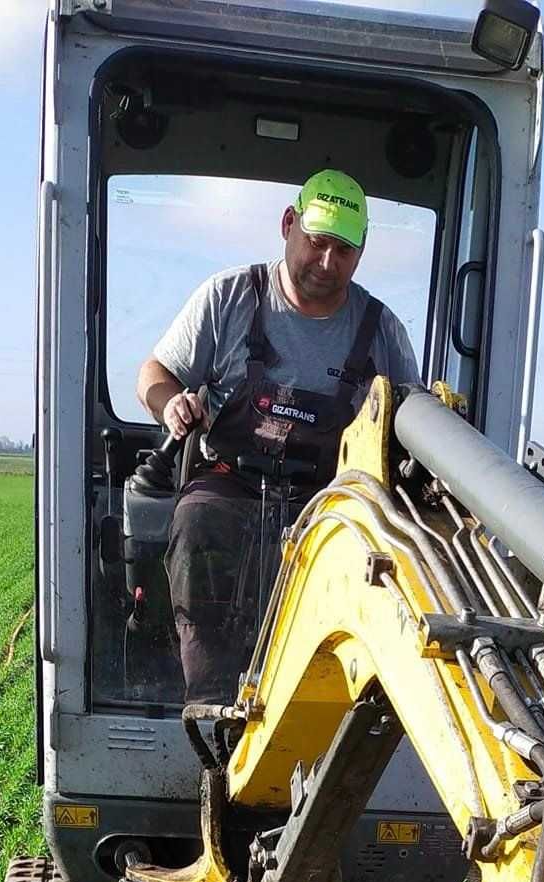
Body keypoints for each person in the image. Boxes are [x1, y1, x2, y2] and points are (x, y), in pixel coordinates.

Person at [137, 169, 421, 701]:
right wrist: (170, 401)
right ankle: (210, 704)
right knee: (198, 525)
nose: (327, 264)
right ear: (288, 224)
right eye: (317, 244)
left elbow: (412, 418)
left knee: (375, 567)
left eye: (344, 251)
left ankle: (329, 709)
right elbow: (154, 373)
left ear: (361, 254)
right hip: (230, 482)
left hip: (328, 498)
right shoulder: (228, 297)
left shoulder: (380, 329)